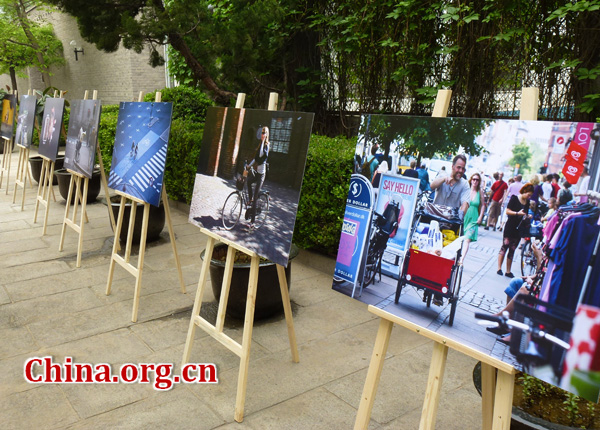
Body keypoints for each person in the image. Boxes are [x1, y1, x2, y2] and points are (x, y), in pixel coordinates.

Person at [497, 183, 534, 278]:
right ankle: (499, 268)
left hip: (519, 228)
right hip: (510, 226)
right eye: (528, 194)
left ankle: (508, 271)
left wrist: (527, 216)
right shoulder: (514, 198)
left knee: (512, 249)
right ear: (524, 191)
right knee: (505, 246)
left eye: (530, 195)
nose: (529, 197)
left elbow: (524, 214)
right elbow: (507, 211)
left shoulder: (527, 202)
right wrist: (517, 213)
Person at [245, 126, 270, 227]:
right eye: (261, 133)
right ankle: (250, 200)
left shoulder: (267, 145)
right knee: (249, 181)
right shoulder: (260, 144)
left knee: (256, 197)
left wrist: (263, 141)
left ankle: (253, 222)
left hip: (261, 175)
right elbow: (256, 158)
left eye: (264, 133)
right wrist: (248, 165)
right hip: (257, 172)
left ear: (267, 134)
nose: (262, 135)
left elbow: (261, 156)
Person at [461, 173, 485, 262]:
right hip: (464, 216)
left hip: (474, 218)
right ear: (471, 180)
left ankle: (461, 260)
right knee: (460, 238)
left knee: (467, 239)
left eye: (477, 180)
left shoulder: (480, 192)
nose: (475, 181)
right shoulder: (466, 190)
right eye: (474, 179)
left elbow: (483, 205)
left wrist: (480, 217)